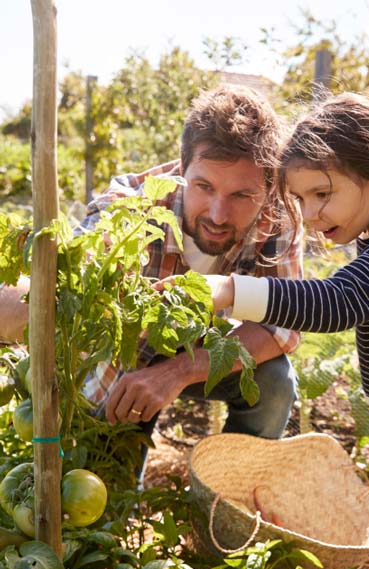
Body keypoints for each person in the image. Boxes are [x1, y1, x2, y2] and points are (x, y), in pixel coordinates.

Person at [1, 85, 302, 483]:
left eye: (241, 195)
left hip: (205, 350)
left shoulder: (277, 218)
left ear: (267, 188)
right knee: (102, 499)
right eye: (204, 186)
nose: (217, 213)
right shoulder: (132, 206)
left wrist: (175, 372)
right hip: (128, 357)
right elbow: (72, 287)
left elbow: (280, 324)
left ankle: (230, 503)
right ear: (182, 169)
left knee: (274, 382)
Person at [194, 92, 369, 569]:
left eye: (322, 194)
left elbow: (336, 302)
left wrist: (226, 290)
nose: (308, 214)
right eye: (300, 199)